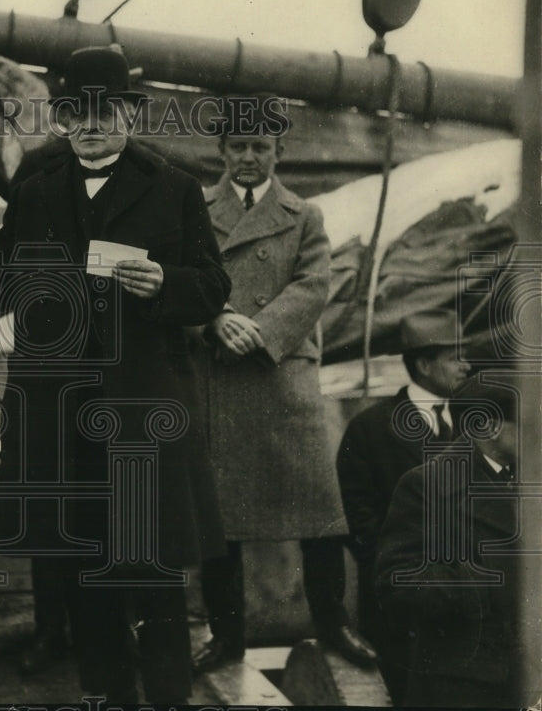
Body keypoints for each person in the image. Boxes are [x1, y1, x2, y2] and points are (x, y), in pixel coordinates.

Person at [0, 45, 232, 703]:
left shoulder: (175, 189)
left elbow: (213, 286)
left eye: (105, 110)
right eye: (78, 111)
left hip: (142, 419)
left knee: (153, 580)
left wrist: (166, 282)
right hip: (61, 424)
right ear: (64, 120)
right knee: (84, 581)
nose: (91, 123)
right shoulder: (36, 192)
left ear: (129, 115)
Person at [191, 95, 376, 672]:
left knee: (317, 512)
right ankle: (226, 636)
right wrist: (215, 321)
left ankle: (333, 625)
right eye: (239, 147)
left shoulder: (305, 215)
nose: (249, 157)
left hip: (283, 373)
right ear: (221, 151)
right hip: (219, 372)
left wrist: (261, 331)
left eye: (260, 147)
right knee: (222, 520)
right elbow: (184, 279)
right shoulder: (195, 210)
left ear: (279, 152)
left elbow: (314, 285)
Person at [376, 376, 537, 708]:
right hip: (466, 686)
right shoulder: (428, 486)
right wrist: (494, 579)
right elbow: (396, 585)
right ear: (489, 426)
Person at [336, 309, 471, 700]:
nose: (466, 366)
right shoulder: (370, 428)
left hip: (468, 598)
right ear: (425, 365)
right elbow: (355, 514)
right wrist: (398, 568)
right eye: (455, 357)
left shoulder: (477, 422)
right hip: (400, 606)